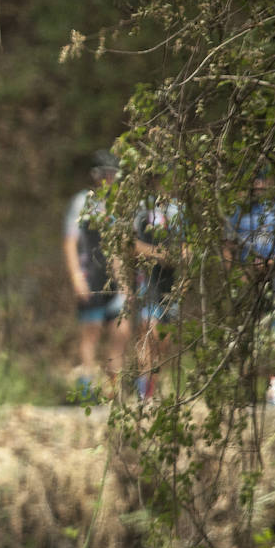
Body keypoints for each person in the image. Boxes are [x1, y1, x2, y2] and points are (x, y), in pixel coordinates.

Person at [225, 170, 275, 407]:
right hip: (248, 284)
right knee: (246, 336)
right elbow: (227, 247)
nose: (259, 184)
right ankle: (246, 391)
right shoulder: (238, 211)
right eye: (255, 179)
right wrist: (238, 273)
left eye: (263, 179)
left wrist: (274, 261)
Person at [63, 150, 131, 400]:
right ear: (96, 175)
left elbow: (118, 248)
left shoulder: (117, 205)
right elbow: (70, 242)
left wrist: (124, 282)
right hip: (89, 276)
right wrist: (76, 277)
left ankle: (114, 390)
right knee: (90, 332)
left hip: (112, 279)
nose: (110, 179)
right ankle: (87, 391)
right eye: (106, 174)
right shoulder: (82, 202)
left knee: (121, 331)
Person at [132, 192, 183, 400]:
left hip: (170, 284)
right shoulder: (141, 208)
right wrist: (158, 254)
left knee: (163, 340)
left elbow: (187, 247)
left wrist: (177, 257)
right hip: (147, 281)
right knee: (148, 333)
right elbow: (131, 244)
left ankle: (153, 385)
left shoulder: (178, 210)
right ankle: (143, 391)